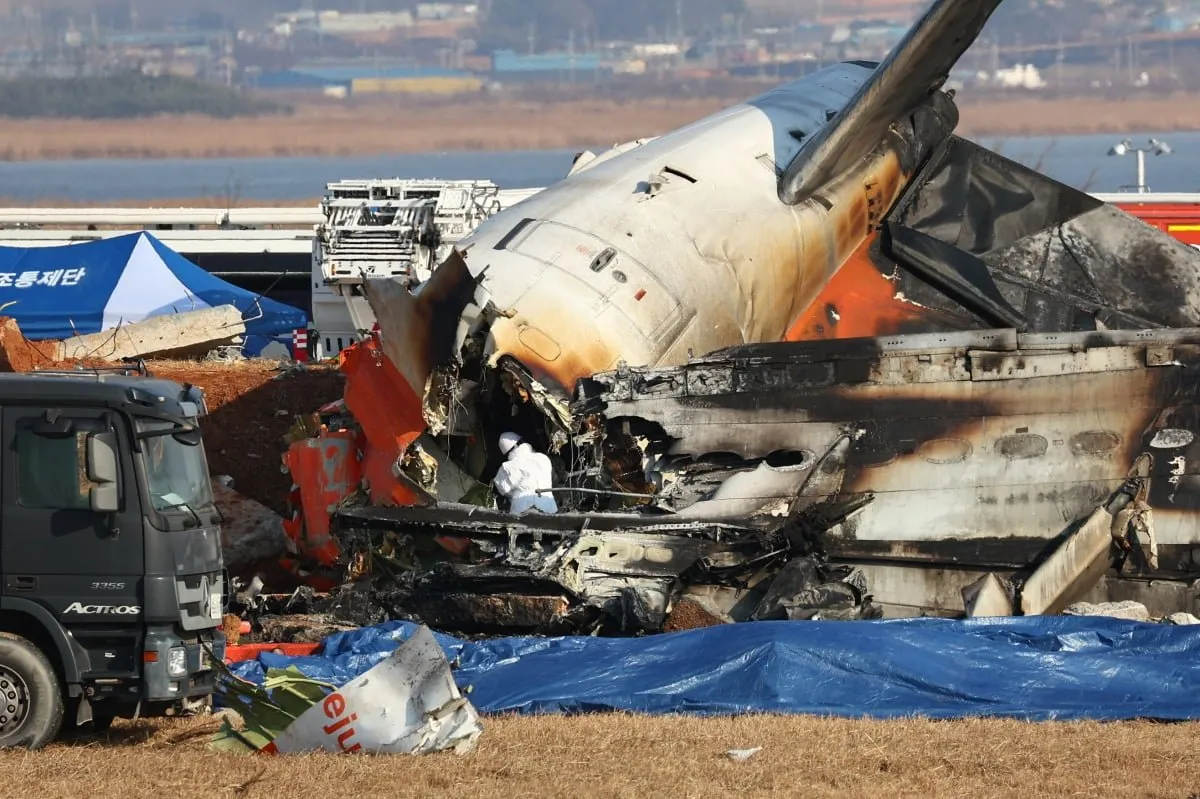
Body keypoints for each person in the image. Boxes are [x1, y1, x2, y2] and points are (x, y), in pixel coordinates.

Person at [492, 431, 558, 514]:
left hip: (521, 508)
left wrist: (518, 493)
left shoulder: (507, 467)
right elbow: (551, 479)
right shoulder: (543, 458)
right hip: (548, 506)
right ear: (518, 443)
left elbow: (503, 489)